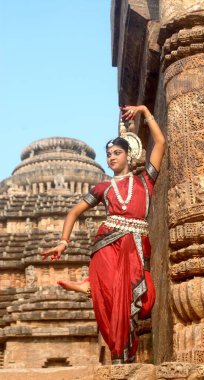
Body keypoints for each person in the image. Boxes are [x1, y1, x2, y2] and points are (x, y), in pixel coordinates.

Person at [41, 105, 165, 364]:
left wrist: (143, 110)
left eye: (117, 153)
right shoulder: (102, 186)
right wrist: (64, 241)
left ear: (129, 155)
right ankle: (95, 291)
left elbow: (161, 141)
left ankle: (90, 287)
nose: (111, 157)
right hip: (107, 243)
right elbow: (74, 212)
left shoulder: (145, 180)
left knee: (144, 299)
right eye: (108, 154)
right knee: (112, 298)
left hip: (137, 243)